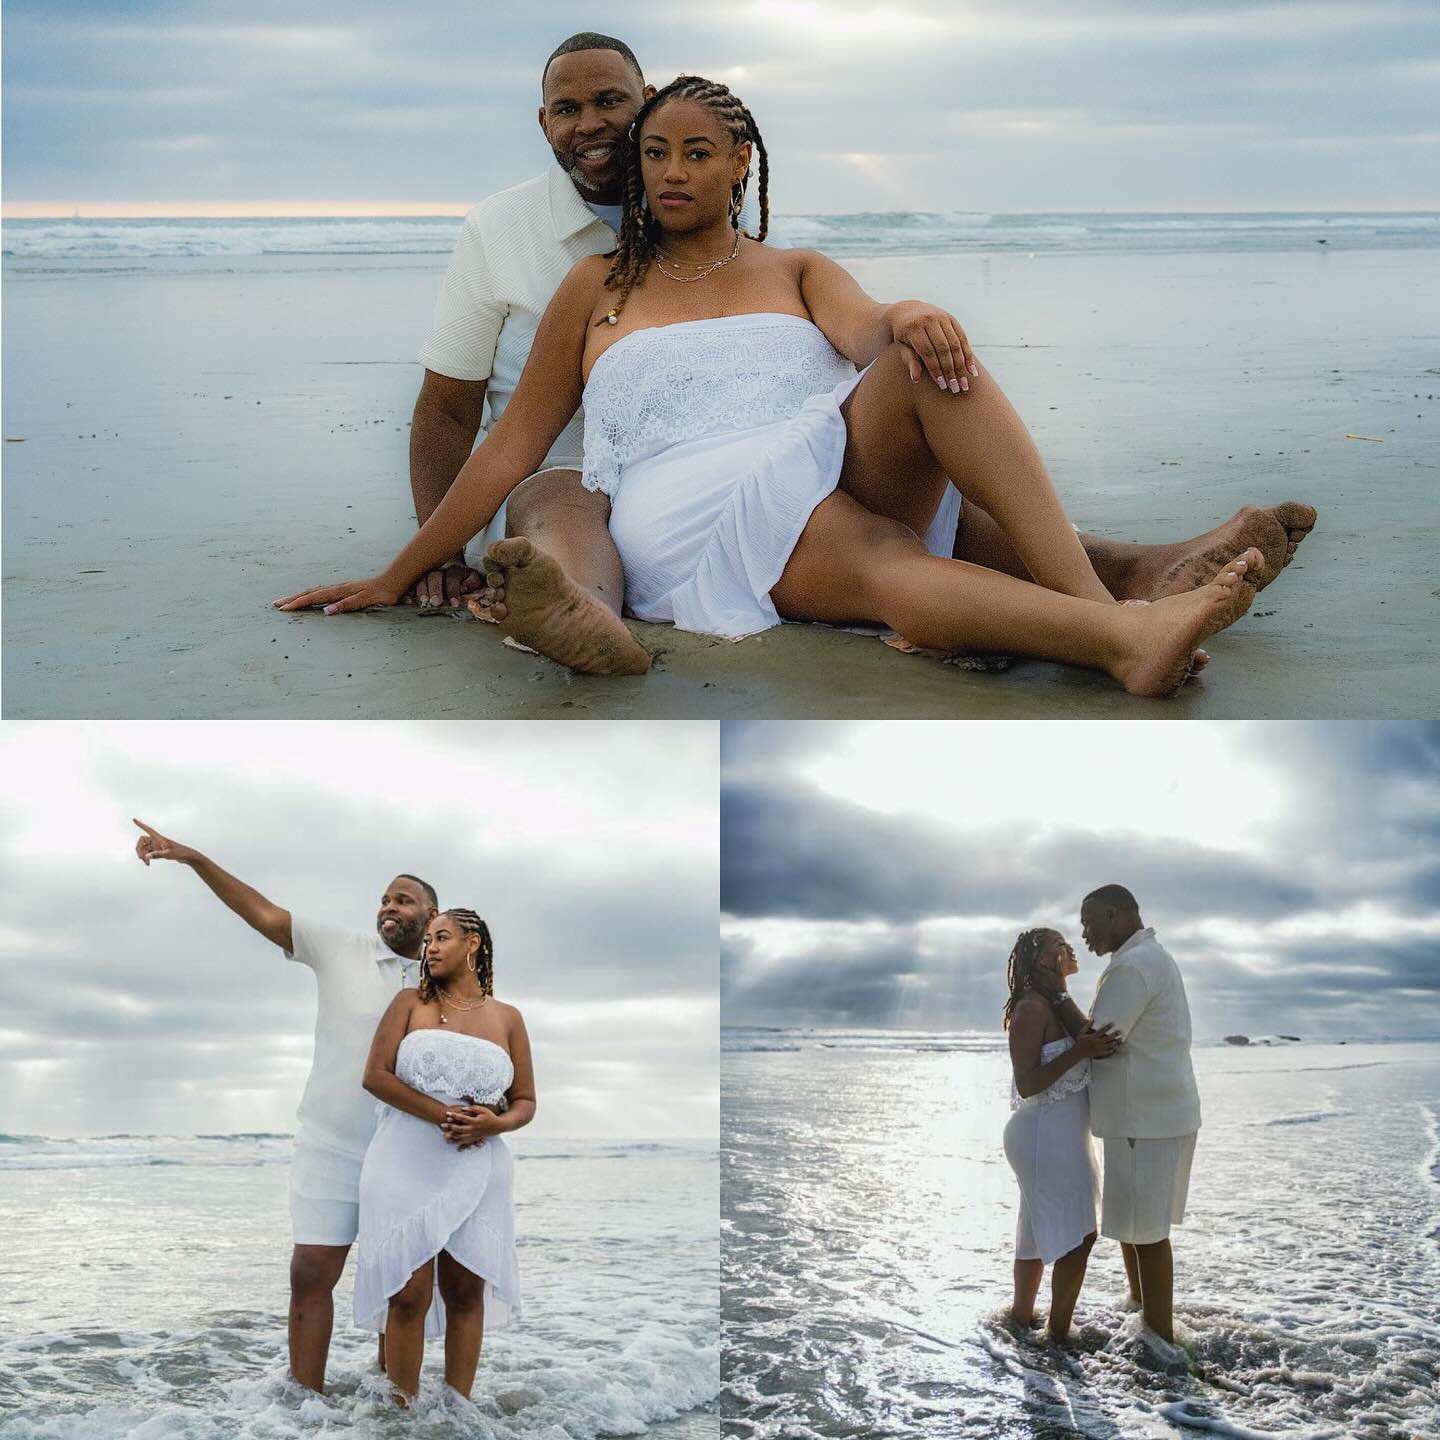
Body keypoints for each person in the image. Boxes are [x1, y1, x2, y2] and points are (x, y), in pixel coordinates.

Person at [276, 74, 1317, 696]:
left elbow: (866, 337)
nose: (673, 172)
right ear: (636, 173)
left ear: (741, 164)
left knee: (929, 362)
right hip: (691, 500)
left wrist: (908, 315)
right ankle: (1119, 633)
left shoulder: (799, 268)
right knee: (867, 547)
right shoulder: (594, 286)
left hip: (828, 453)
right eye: (655, 155)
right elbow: (509, 447)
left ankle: (1110, 609)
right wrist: (400, 568)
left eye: (697, 153)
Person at [131, 818, 452, 1392]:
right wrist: (194, 858)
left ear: (432, 917)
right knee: (310, 1272)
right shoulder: (340, 949)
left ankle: (391, 1401)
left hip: (409, 1153)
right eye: (384, 898)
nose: (389, 906)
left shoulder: (444, 981)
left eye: (404, 900)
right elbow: (261, 913)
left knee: (402, 1285)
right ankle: (305, 1406)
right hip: (331, 1143)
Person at [356, 908, 533, 1404]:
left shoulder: (508, 1018)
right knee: (407, 1292)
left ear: (472, 942)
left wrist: (496, 1123)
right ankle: (400, 1414)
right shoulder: (408, 1003)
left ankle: (457, 1413)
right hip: (402, 1161)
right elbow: (376, 1077)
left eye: (442, 938)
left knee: (464, 1293)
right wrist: (442, 1115)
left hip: (479, 1166)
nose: (429, 948)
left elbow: (526, 1102)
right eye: (428, 940)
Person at [1067, 884, 1202, 1345]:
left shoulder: (1133, 967)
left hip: (1145, 1119)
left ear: (1113, 913)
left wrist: (1054, 1000)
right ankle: (1140, 1310)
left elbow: (1099, 1041)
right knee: (1132, 1226)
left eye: (1088, 921)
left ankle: (1161, 1342)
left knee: (1145, 1232)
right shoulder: (1149, 959)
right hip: (1153, 1113)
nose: (1083, 933)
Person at [1003, 929, 1120, 1342]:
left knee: (1035, 1233)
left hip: (1062, 1133)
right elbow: (1028, 1082)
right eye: (1058, 943)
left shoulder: (1054, 1002)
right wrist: (1077, 1052)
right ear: (1039, 959)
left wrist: (1080, 1040)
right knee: (1081, 1237)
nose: (1069, 947)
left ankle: (1018, 1323)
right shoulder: (1031, 1009)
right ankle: (1057, 1335)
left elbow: (1096, 1040)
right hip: (1042, 1131)